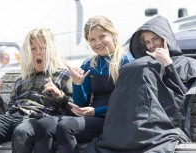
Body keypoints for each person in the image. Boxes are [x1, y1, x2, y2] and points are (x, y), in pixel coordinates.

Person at [84, 15, 196, 153]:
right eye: (147, 42)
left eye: (155, 39)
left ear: (165, 38)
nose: (151, 45)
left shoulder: (186, 63)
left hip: (166, 125)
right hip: (138, 127)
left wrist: (168, 64)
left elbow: (185, 96)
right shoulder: (140, 66)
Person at [34, 15, 134, 153]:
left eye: (102, 36)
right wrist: (76, 83)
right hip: (91, 118)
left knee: (66, 126)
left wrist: (95, 111)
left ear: (113, 34)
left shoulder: (127, 61)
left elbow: (127, 103)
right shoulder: (89, 63)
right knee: (43, 124)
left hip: (114, 120)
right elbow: (81, 104)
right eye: (92, 39)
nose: (98, 43)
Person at [0, 28, 73, 153]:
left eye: (43, 48)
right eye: (33, 48)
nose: (38, 53)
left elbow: (72, 113)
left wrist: (58, 95)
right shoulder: (22, 78)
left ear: (51, 50)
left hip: (37, 120)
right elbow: (6, 112)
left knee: (21, 132)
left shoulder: (63, 75)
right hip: (11, 118)